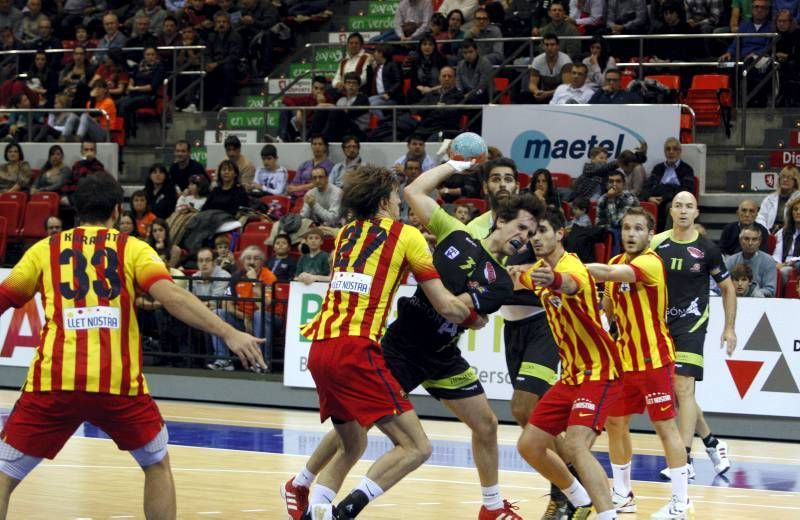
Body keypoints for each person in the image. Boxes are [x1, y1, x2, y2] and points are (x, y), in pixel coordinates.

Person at [0, 172, 265, 520]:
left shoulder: (44, 250)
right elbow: (171, 297)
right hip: (118, 384)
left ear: (75, 211)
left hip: (54, 382)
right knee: (156, 465)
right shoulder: (132, 248)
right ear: (116, 210)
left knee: (4, 476)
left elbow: (5, 298)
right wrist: (229, 333)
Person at [289, 158, 543, 520]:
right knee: (358, 429)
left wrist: (469, 313)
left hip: (441, 353)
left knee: (485, 423)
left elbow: (467, 311)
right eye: (523, 227)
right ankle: (308, 489)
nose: (526, 237)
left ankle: (491, 506)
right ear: (500, 221)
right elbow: (414, 191)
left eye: (532, 233)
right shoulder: (455, 232)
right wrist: (454, 164)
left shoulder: (501, 280)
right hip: (403, 344)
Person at [292, 164, 470, 520]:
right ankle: (345, 511)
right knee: (417, 447)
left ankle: (314, 509)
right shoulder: (406, 236)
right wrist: (477, 307)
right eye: (394, 194)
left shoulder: (344, 234)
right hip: (355, 349)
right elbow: (445, 306)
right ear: (385, 199)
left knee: (353, 443)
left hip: (319, 350)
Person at [465, 159, 564, 518]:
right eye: (496, 178)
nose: (504, 184)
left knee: (524, 408)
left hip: (543, 323)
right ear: (486, 186)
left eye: (510, 178)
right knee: (531, 419)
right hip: (511, 327)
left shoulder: (531, 224)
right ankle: (574, 479)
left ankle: (567, 490)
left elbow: (553, 267)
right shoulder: (475, 229)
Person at [515, 207, 622, 520]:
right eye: (532, 233)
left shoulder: (572, 267)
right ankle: (579, 498)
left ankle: (607, 516)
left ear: (560, 234)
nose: (536, 238)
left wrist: (555, 279)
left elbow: (570, 283)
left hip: (600, 372)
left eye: (544, 231)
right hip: (571, 377)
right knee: (529, 445)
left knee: (576, 445)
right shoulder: (538, 269)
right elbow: (518, 279)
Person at [586, 207, 692, 519]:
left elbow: (607, 275)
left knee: (665, 429)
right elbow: (607, 306)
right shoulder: (617, 261)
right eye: (627, 228)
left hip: (654, 360)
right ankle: (622, 493)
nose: (631, 234)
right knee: (616, 424)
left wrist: (569, 268)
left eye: (638, 229)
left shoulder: (651, 263)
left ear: (649, 234)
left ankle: (681, 503)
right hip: (623, 361)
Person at [651, 192, 736, 482]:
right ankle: (712, 442)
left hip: (692, 323)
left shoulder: (707, 249)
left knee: (683, 387)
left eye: (689, 206)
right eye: (678, 206)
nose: (684, 211)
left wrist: (729, 327)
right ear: (671, 211)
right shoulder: (656, 244)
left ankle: (683, 459)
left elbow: (728, 288)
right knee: (677, 392)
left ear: (697, 212)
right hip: (661, 325)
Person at [209, 245, 276, 371]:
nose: (251, 262)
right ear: (243, 261)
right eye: (248, 258)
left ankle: (261, 362)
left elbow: (263, 305)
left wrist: (254, 281)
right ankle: (223, 360)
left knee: (258, 315)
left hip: (268, 318)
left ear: (261, 261)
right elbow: (226, 304)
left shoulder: (268, 276)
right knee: (218, 313)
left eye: (256, 259)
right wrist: (245, 317)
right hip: (244, 318)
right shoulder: (236, 277)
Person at [641, 138, 696, 232]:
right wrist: (649, 197)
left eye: (675, 149)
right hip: (656, 199)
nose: (671, 152)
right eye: (668, 149)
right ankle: (647, 239)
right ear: (664, 152)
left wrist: (665, 197)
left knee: (672, 207)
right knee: (646, 204)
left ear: (680, 152)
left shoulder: (686, 169)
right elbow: (647, 187)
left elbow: (687, 191)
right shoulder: (658, 168)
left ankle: (667, 239)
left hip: (675, 200)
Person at [116, 46, 164, 139]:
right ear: (144, 56)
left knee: (123, 106)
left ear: (156, 56)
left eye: (153, 54)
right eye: (148, 54)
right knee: (116, 103)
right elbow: (132, 78)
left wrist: (135, 88)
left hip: (149, 96)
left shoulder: (159, 68)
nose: (150, 57)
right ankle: (123, 129)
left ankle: (125, 133)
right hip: (135, 94)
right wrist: (130, 85)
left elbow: (152, 87)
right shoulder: (139, 66)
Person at [724, 225, 777, 297]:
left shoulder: (769, 261)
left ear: (759, 242)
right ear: (740, 241)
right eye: (746, 239)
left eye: (754, 239)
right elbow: (723, 285)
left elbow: (770, 290)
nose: (750, 243)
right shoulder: (730, 261)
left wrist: (753, 293)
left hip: (759, 303)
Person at [596, 170, 640, 255]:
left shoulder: (629, 198)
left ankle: (614, 261)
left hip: (630, 229)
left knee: (615, 231)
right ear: (606, 184)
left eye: (618, 181)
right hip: (610, 231)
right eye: (611, 181)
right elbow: (599, 223)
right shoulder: (602, 199)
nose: (614, 184)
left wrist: (611, 200)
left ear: (623, 184)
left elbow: (617, 223)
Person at [525, 33, 572, 104]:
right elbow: (532, 84)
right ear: (543, 47)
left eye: (552, 45)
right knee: (525, 96)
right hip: (544, 93)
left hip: (562, 94)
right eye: (546, 45)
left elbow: (567, 86)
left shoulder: (566, 61)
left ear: (558, 46)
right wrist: (537, 91)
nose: (549, 48)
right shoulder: (537, 60)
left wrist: (547, 94)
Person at [756, 166, 800, 234]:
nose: (785, 180)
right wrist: (766, 233)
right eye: (783, 177)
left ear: (795, 181)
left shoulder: (798, 198)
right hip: (770, 233)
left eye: (789, 177)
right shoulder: (769, 199)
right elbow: (760, 218)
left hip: (792, 234)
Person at [288, 135, 333, 200]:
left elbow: (319, 184)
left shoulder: (329, 166)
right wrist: (292, 188)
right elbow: (294, 183)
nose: (317, 147)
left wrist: (298, 188)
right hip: (297, 197)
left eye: (320, 144)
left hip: (316, 198)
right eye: (314, 144)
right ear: (311, 146)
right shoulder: (304, 164)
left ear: (325, 147)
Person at [62, 141, 105, 206]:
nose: (89, 152)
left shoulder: (98, 166)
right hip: (76, 193)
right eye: (86, 150)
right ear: (82, 152)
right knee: (62, 200)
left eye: (91, 149)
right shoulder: (77, 165)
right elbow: (70, 181)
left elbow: (93, 182)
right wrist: (66, 192)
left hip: (91, 195)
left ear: (95, 152)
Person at [457, 38, 493, 105]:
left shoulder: (485, 63)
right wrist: (459, 94)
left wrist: (468, 96)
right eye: (465, 53)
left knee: (474, 98)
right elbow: (458, 84)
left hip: (482, 95)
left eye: (471, 52)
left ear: (476, 51)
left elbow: (482, 86)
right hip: (465, 95)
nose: (468, 55)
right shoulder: (460, 64)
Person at [773, 196, 800, 284]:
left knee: (784, 271)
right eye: (795, 210)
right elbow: (777, 255)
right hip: (783, 264)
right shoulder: (783, 232)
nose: (798, 212)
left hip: (796, 265)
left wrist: (788, 264)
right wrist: (777, 264)